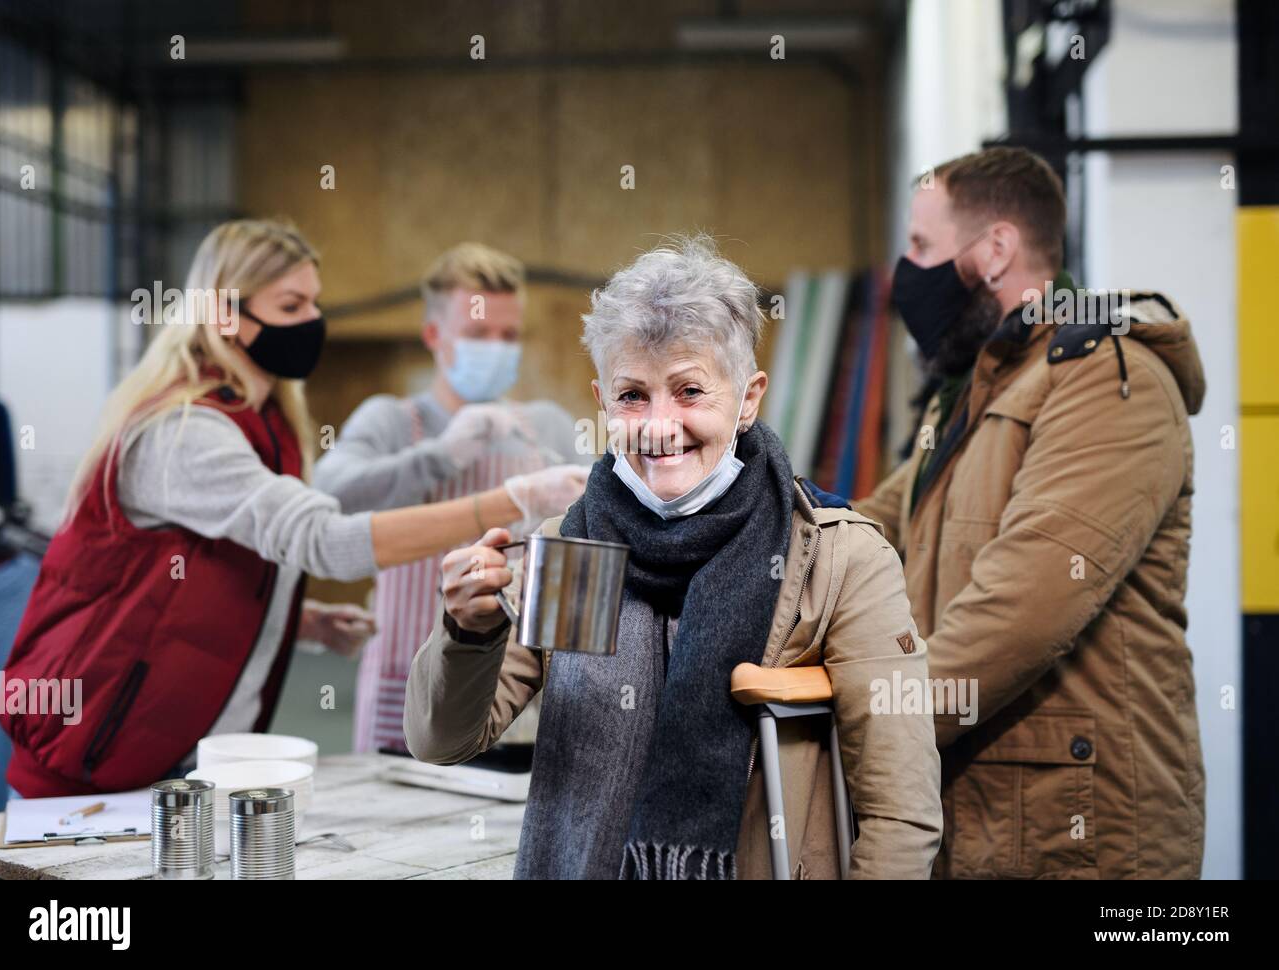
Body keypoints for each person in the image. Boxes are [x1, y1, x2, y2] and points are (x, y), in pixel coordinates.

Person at [405, 235, 943, 879]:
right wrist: (468, 632)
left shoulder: (837, 558)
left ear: (747, 398)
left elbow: (901, 813)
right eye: (634, 396)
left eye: (690, 391)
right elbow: (443, 740)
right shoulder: (574, 547)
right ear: (603, 402)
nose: (659, 424)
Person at [0, 219, 587, 797]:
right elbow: (324, 537)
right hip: (98, 749)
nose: (313, 321)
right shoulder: (186, 429)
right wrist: (509, 498)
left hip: (180, 748)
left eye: (314, 302)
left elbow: (202, 574)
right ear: (225, 312)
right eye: (290, 306)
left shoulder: (267, 426)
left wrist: (297, 620)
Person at [854, 146, 1206, 878]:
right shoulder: (982, 393)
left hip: (1080, 835)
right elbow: (870, 531)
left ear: (996, 249)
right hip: (990, 817)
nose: (907, 274)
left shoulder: (1111, 382)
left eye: (922, 246)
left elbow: (1022, 607)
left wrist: (868, 716)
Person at [314, 243, 589, 754]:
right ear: (434, 336)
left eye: (508, 336)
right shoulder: (393, 422)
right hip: (407, 686)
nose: (497, 346)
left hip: (510, 692)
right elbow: (329, 493)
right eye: (479, 334)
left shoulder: (544, 426)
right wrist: (440, 456)